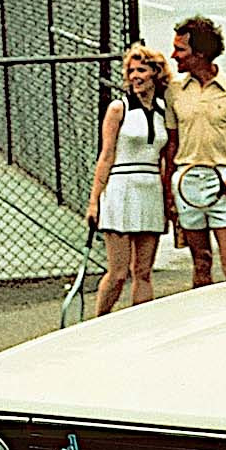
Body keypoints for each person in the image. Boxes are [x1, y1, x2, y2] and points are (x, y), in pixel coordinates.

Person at [162, 15, 226, 287]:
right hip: (187, 185)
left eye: (180, 50)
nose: (174, 56)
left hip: (223, 184)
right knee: (201, 263)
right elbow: (172, 144)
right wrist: (168, 190)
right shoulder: (174, 91)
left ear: (201, 53)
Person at [85, 43, 174, 314]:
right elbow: (106, 155)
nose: (136, 76)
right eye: (131, 71)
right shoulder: (118, 108)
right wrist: (94, 201)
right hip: (121, 190)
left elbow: (166, 159)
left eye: (142, 70)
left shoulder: (164, 110)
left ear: (155, 73)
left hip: (151, 190)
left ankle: (141, 327)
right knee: (118, 273)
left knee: (143, 272)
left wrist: (168, 200)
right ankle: (98, 323)